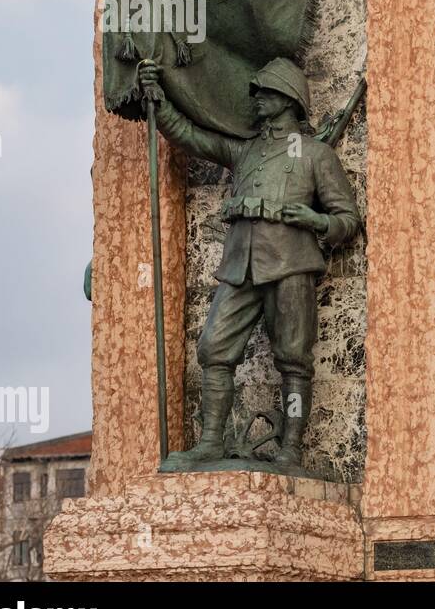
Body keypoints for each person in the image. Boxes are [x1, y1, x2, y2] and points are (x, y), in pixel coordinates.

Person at [140, 57, 361, 470]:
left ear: (288, 99)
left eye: (265, 92)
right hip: (241, 266)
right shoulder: (245, 150)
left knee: (294, 360)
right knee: (213, 349)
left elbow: (347, 219)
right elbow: (188, 135)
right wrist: (157, 97)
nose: (256, 99)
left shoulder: (315, 155)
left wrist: (315, 220)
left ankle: (291, 448)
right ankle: (209, 443)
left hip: (290, 265)